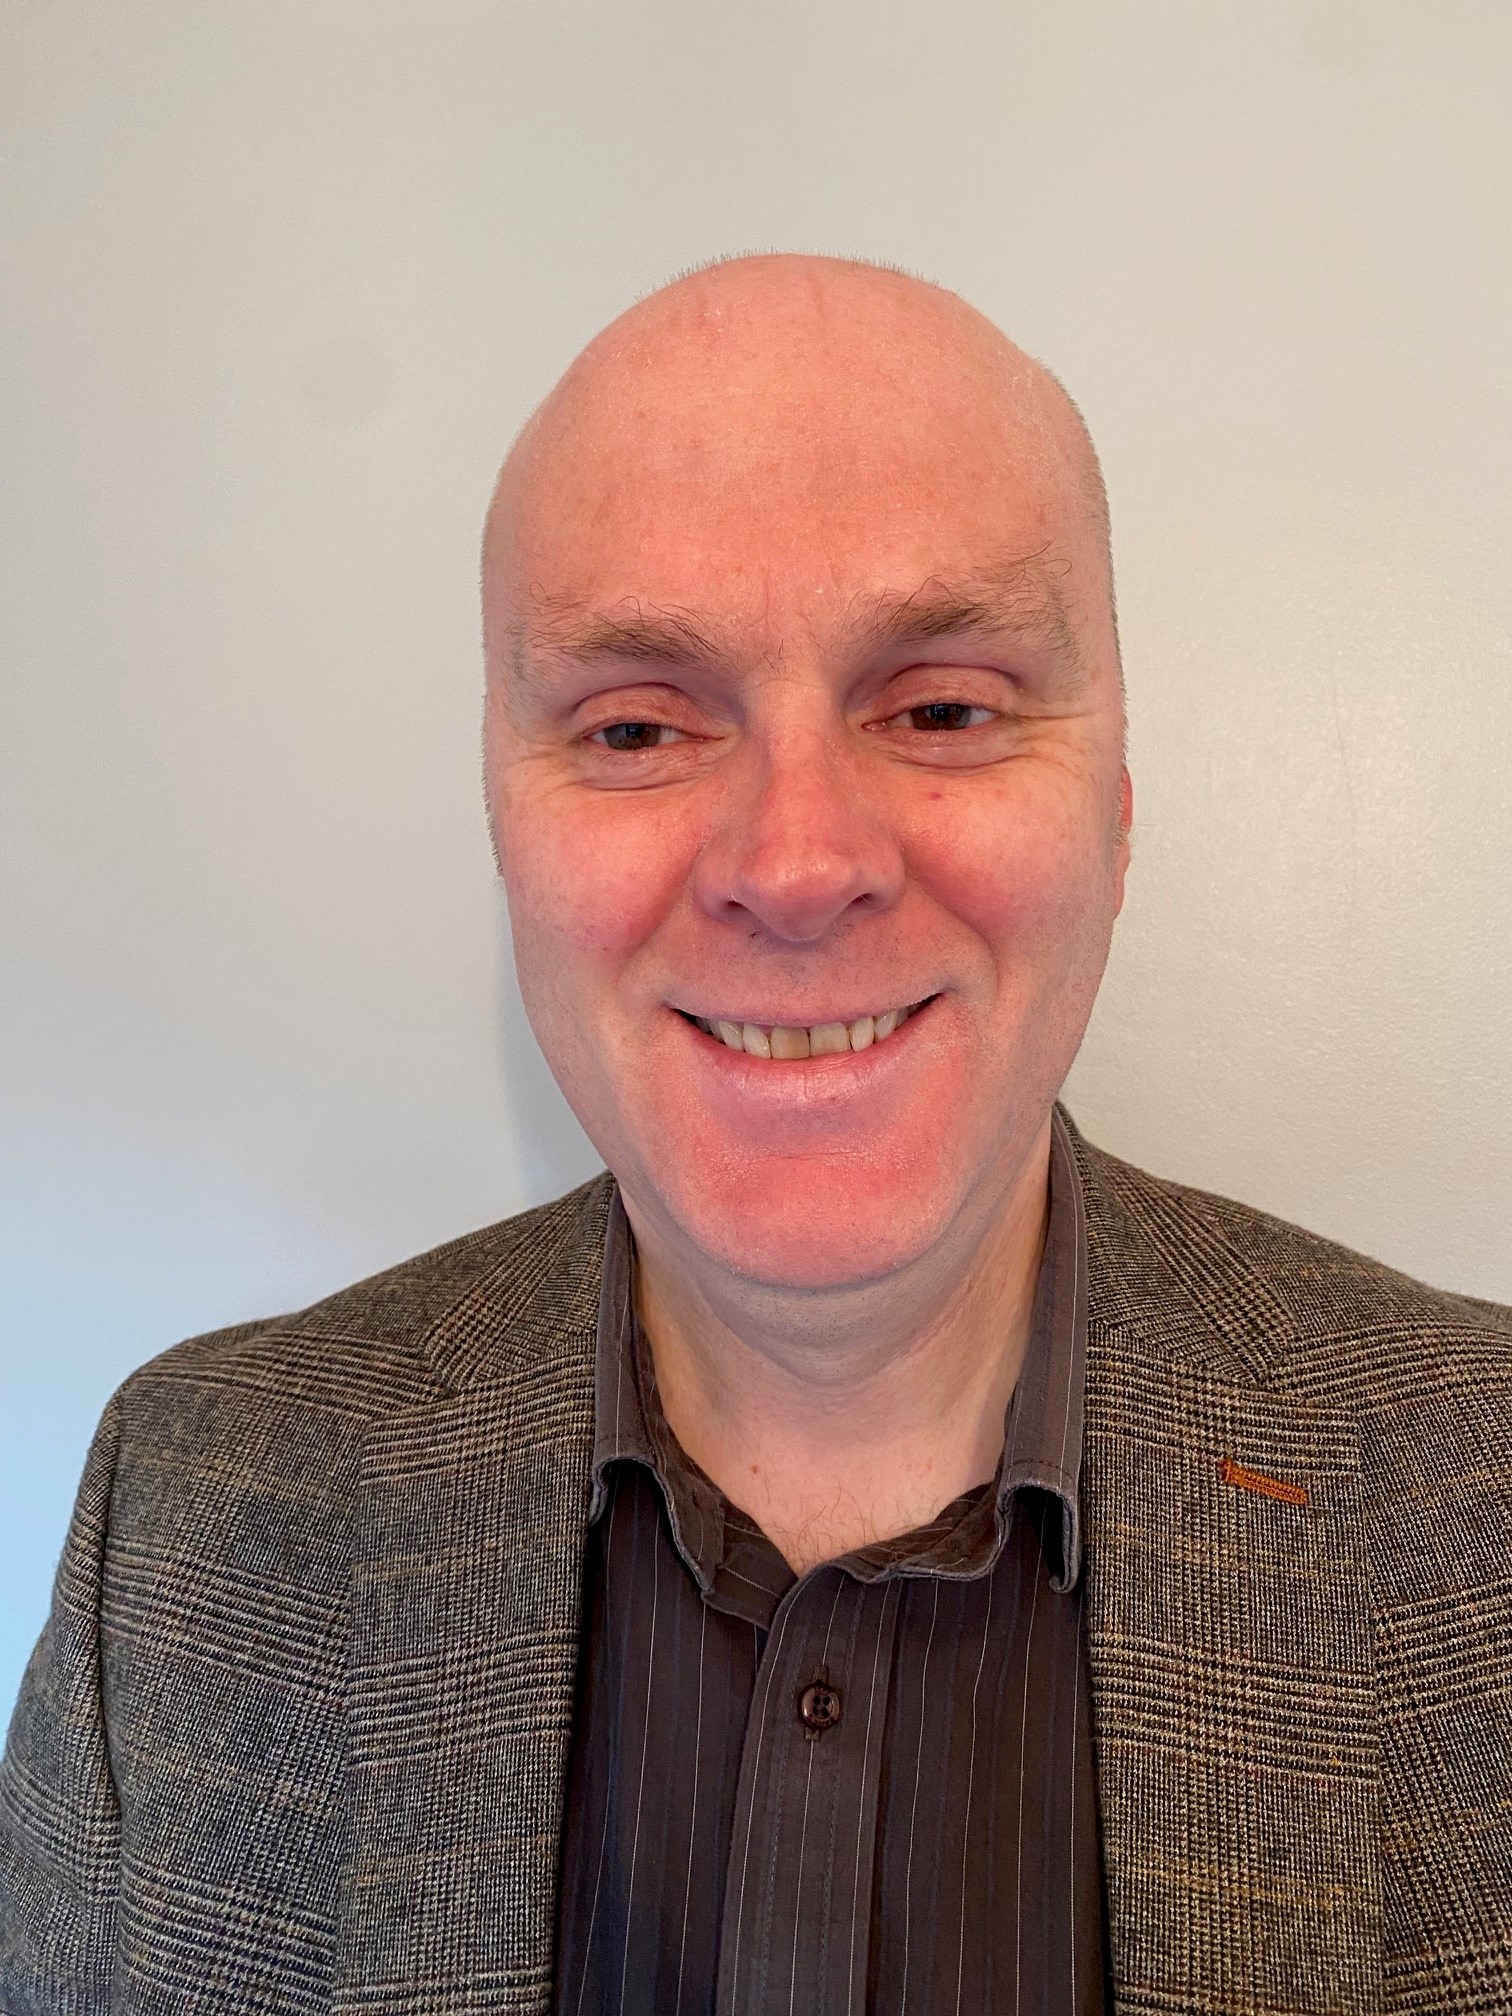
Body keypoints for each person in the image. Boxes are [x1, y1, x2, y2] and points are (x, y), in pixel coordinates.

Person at [1, 255, 1507, 2016]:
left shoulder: (1484, 1514)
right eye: (638, 725)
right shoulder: (192, 1523)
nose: (797, 866)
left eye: (941, 706)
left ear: (1111, 802)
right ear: (503, 821)